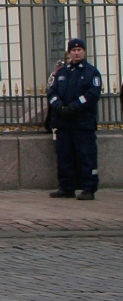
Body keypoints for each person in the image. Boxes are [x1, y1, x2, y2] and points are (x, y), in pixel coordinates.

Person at [48, 37, 101, 200]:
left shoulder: (91, 72)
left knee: (86, 156)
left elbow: (92, 94)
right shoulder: (62, 72)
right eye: (73, 50)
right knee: (64, 156)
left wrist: (74, 107)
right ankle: (66, 187)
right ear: (69, 53)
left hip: (82, 123)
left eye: (79, 50)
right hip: (63, 122)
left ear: (84, 52)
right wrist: (59, 106)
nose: (76, 53)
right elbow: (51, 92)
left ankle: (88, 188)